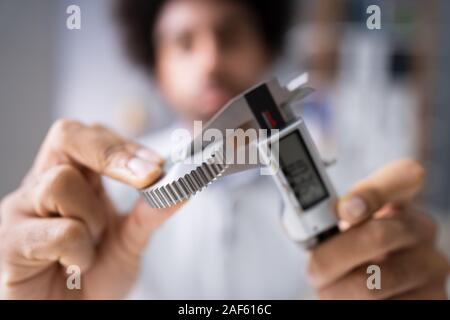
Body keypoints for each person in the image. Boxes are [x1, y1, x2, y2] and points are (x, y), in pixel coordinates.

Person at [0, 0, 449, 299]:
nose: (210, 60)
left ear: (267, 50)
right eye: (184, 41)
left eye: (229, 35)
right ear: (155, 65)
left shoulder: (350, 195)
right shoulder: (101, 199)